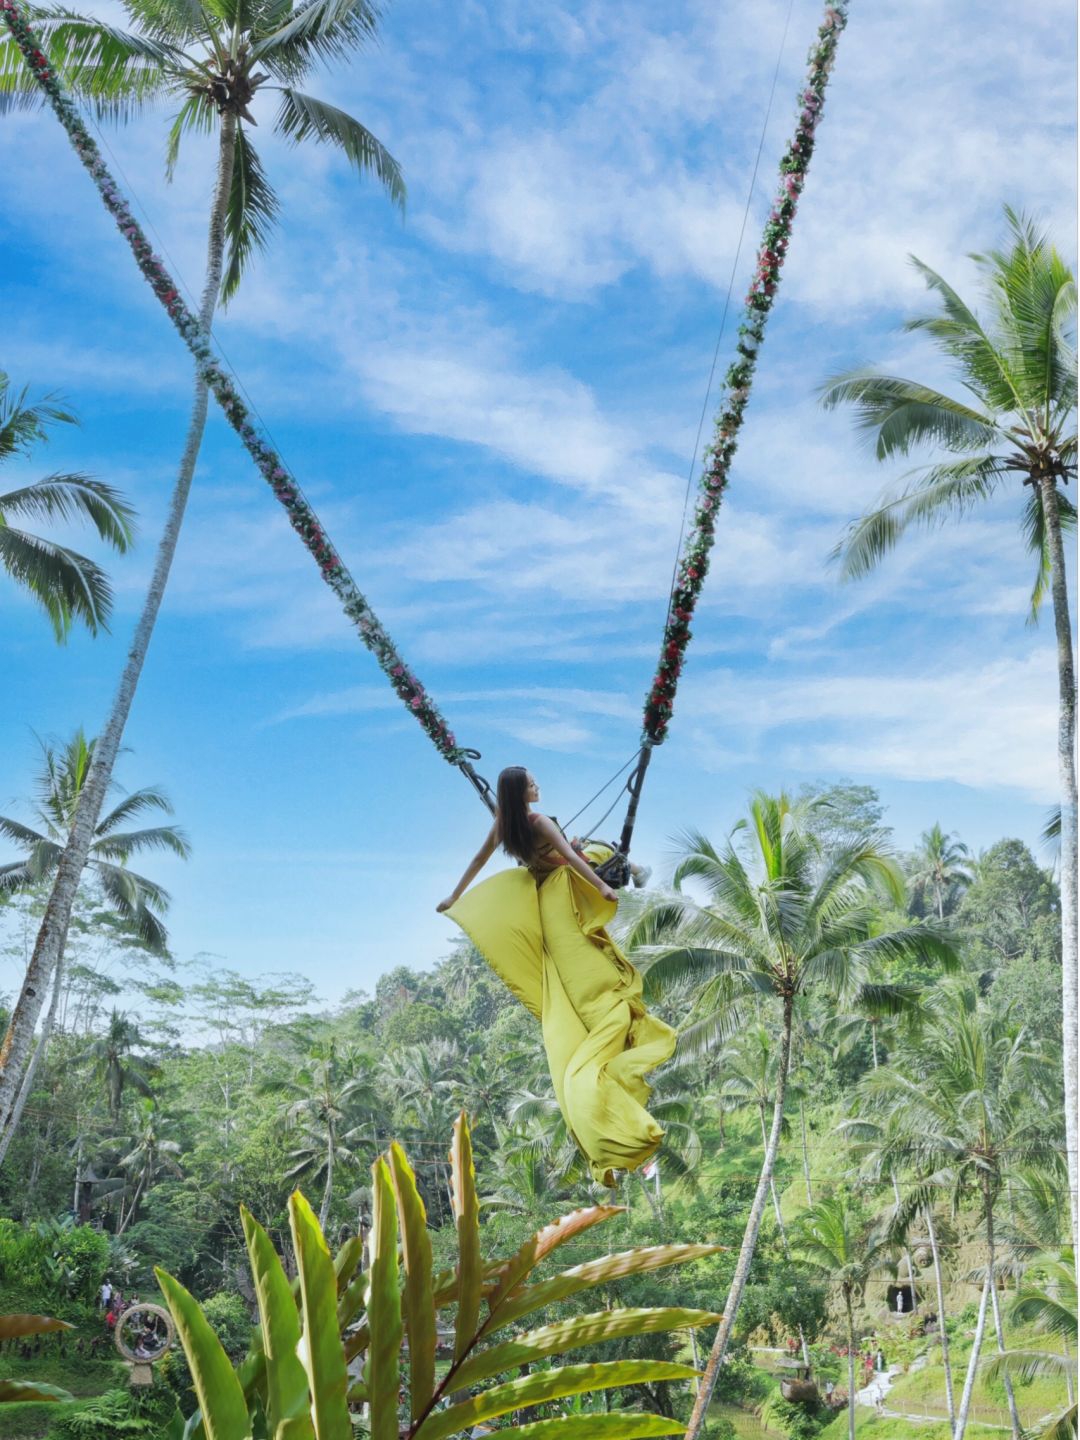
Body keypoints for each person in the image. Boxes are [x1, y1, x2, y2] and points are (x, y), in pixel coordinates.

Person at [437, 766, 675, 1184]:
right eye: (532, 783)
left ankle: (631, 869)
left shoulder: (505, 826)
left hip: (541, 893)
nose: (537, 785)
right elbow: (569, 858)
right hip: (564, 883)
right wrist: (600, 888)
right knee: (599, 852)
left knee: (591, 850)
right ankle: (634, 869)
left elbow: (478, 860)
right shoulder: (538, 821)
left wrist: (454, 895)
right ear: (522, 792)